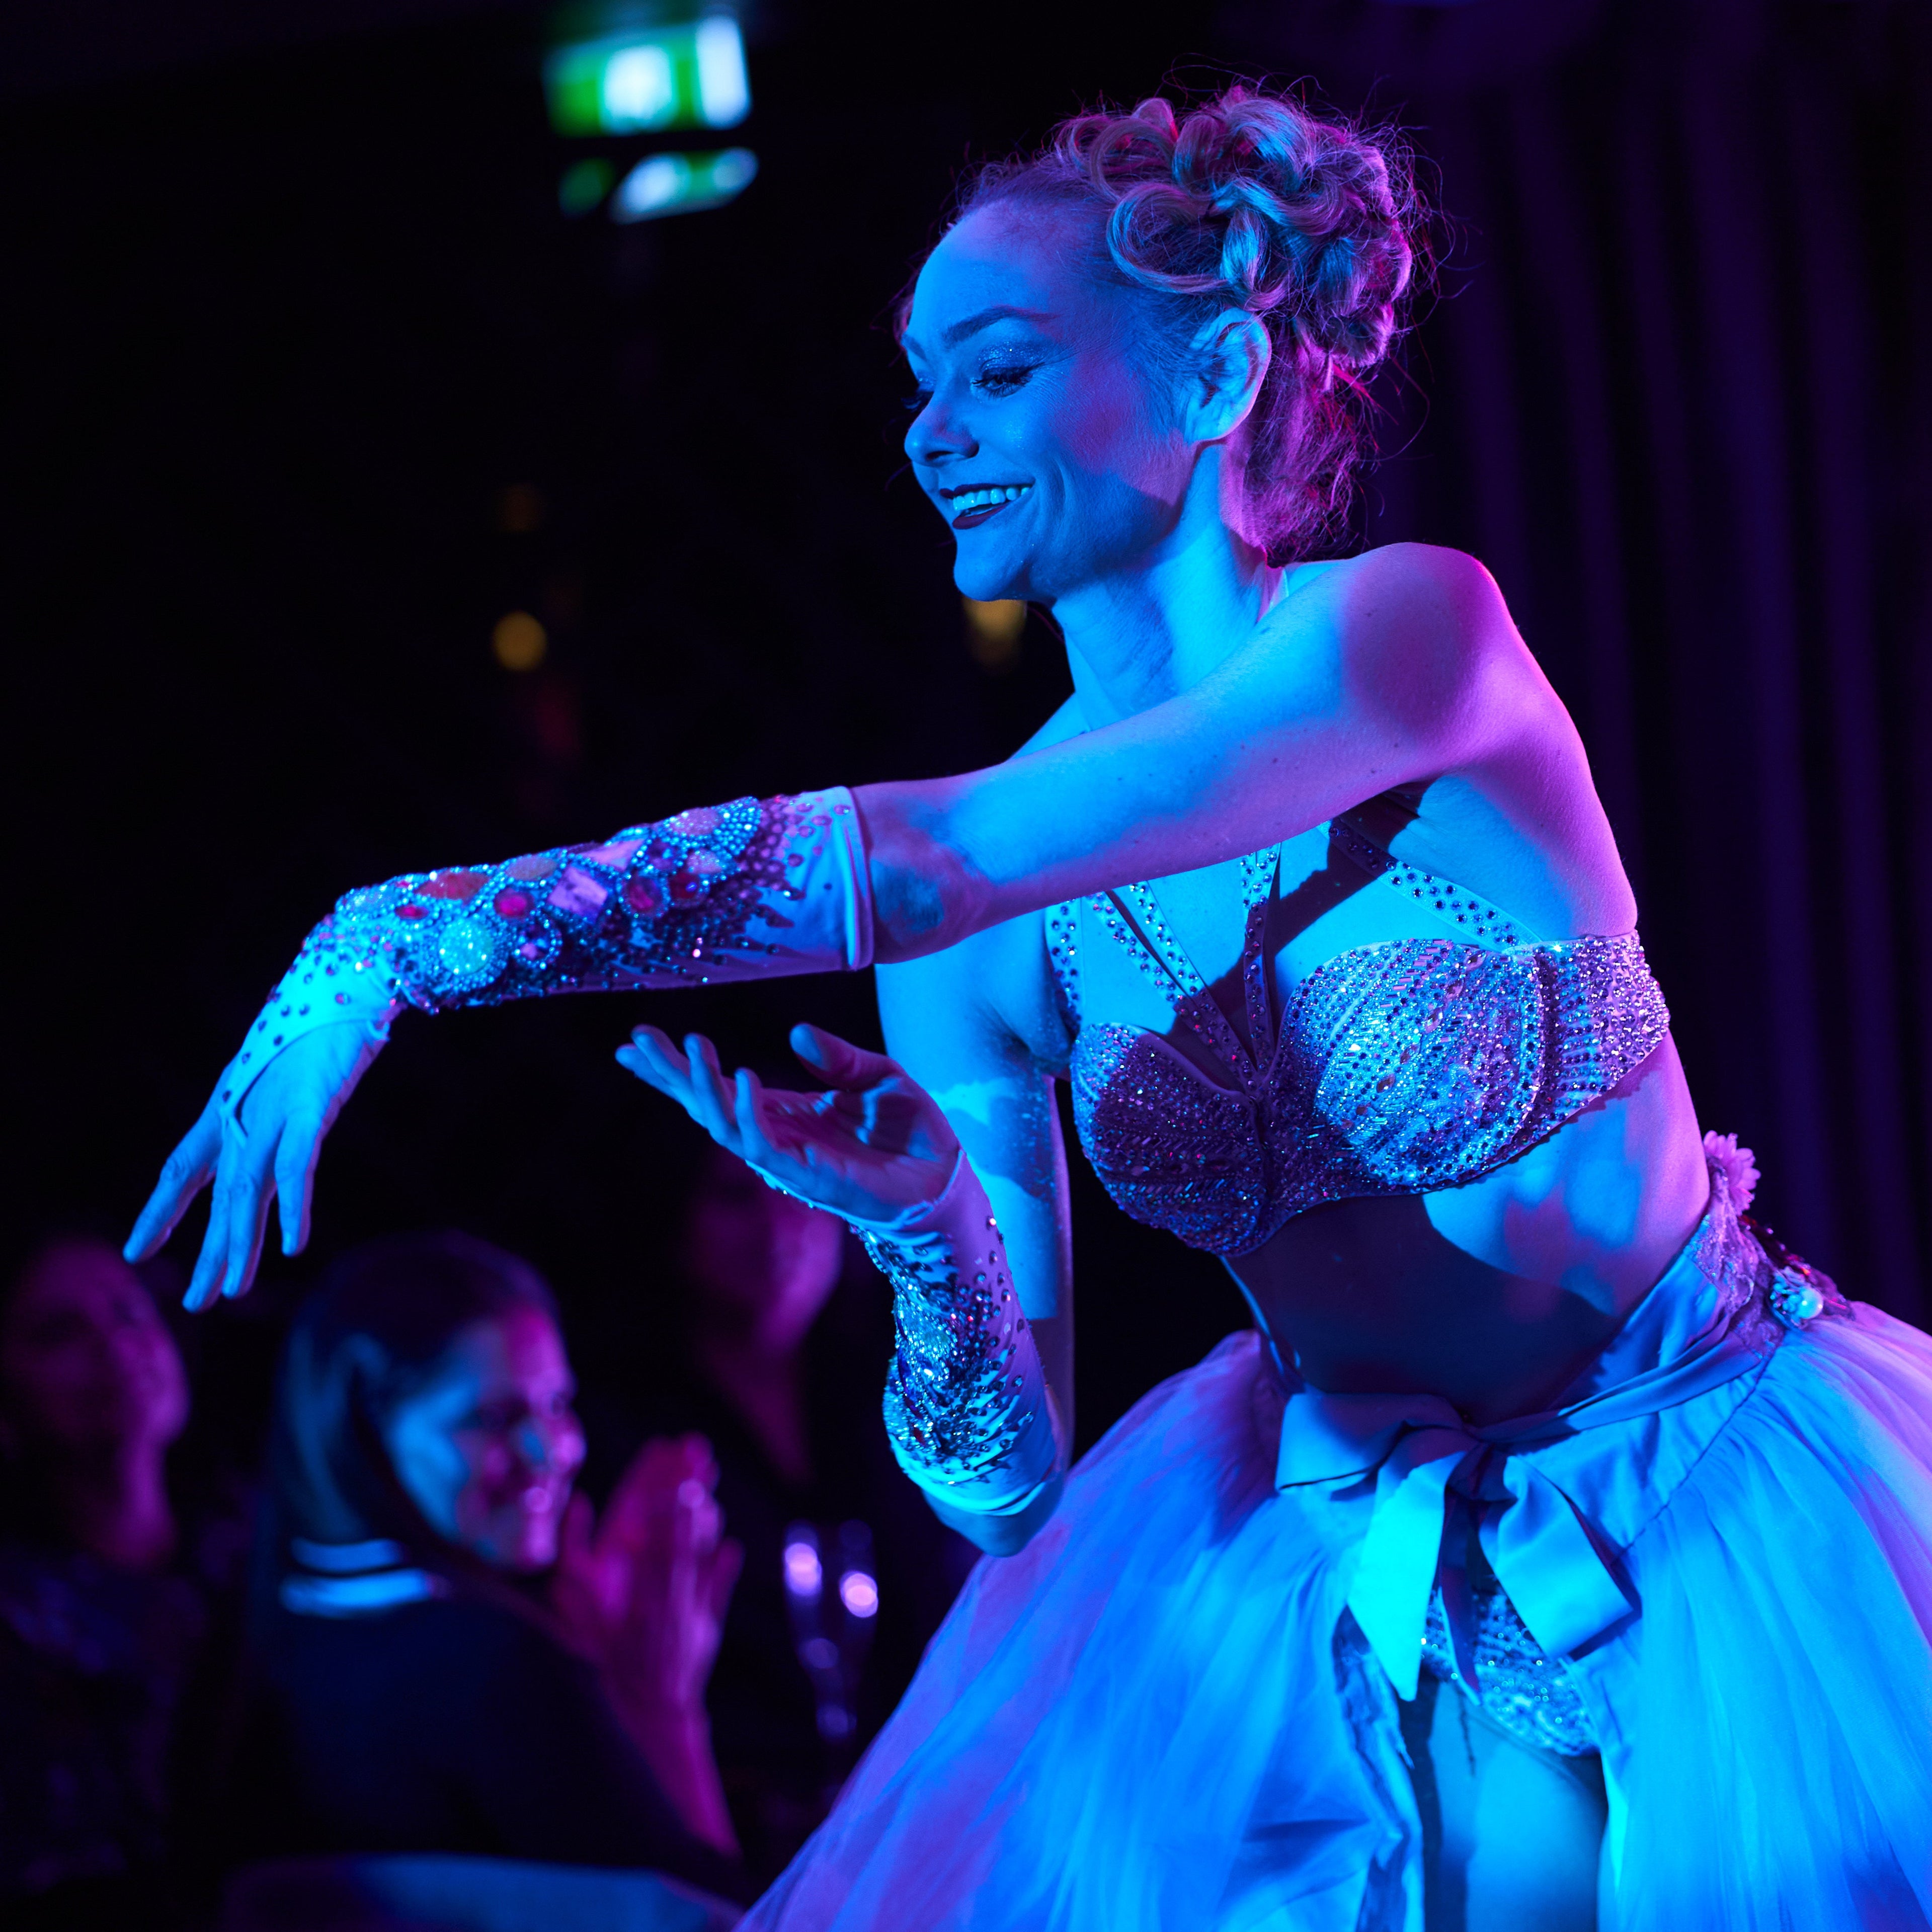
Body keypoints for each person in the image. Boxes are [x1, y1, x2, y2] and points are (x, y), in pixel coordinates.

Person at [127, 84, 1932, 1926]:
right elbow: (1000, 1488)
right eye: (921, 386)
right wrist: (924, 1239)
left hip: (1710, 1502)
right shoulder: (979, 935)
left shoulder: (1409, 638)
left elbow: (936, 856)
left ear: (1218, 369)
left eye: (993, 372)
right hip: (1337, 1569)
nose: (932, 438)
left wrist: (407, 938)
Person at [236, 1230, 750, 1904]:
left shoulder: (272, 1628)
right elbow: (738, 1921)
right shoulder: (491, 1667)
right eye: (493, 1418)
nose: (552, 1450)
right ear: (366, 1433)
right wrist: (662, 1700)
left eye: (558, 1405)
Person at [588, 1142, 976, 1877]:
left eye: (801, 1194)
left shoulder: (894, 1400)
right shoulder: (626, 1436)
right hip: (723, 1833)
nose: (778, 1226)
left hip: (908, 1816)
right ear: (675, 1220)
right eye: (737, 1196)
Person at [0, 1235, 229, 1925]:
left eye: (130, 1314)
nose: (114, 1348)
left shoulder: (256, 1545)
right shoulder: (17, 1615)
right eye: (60, 1333)